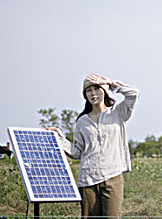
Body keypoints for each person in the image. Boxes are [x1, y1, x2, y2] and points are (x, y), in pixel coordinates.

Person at [49, 73, 140, 218]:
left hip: (113, 177)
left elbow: (134, 94)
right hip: (88, 180)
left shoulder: (117, 113)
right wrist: (59, 138)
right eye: (88, 90)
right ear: (85, 95)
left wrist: (111, 83)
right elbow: (77, 152)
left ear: (104, 91)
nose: (93, 93)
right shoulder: (82, 121)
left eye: (97, 88)